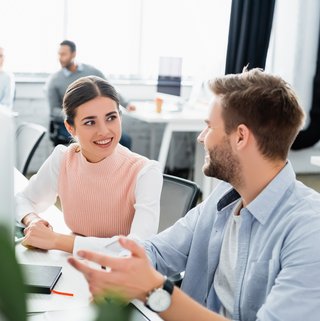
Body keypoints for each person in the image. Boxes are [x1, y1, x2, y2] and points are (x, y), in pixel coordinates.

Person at [69, 68, 320, 321]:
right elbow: (158, 251)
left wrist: (156, 290)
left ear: (241, 137)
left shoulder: (309, 230)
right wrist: (122, 274)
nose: (201, 138)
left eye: (209, 127)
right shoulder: (226, 196)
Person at [16, 76, 162, 256]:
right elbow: (23, 199)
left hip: (121, 275)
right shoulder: (63, 159)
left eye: (111, 118)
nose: (104, 131)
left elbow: (138, 247)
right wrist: (32, 221)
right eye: (90, 122)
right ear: (71, 128)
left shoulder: (145, 172)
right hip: (73, 266)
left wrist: (56, 240)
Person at [46, 40, 134, 147]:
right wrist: (75, 114)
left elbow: (109, 90)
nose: (60, 58)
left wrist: (127, 104)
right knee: (91, 140)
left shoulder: (92, 71)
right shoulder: (54, 80)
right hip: (70, 123)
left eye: (63, 54)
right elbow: (53, 111)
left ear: (73, 54)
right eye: (59, 54)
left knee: (125, 140)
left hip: (97, 119)